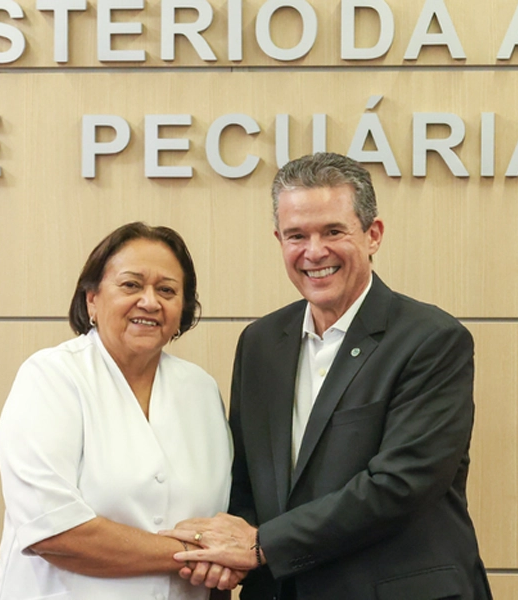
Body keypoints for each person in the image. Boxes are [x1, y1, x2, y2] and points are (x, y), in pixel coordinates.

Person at [161, 153, 493, 599]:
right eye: (297, 235)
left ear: (373, 235)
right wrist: (222, 552)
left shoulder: (431, 339)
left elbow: (401, 484)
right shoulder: (260, 343)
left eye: (333, 231)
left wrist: (262, 546)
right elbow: (247, 482)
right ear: (279, 240)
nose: (314, 252)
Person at [0, 222, 235, 600]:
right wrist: (201, 553)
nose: (150, 302)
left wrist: (224, 554)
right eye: (131, 285)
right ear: (92, 300)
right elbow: (54, 533)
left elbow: (219, 521)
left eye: (167, 290)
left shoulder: (201, 390)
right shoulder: (51, 377)